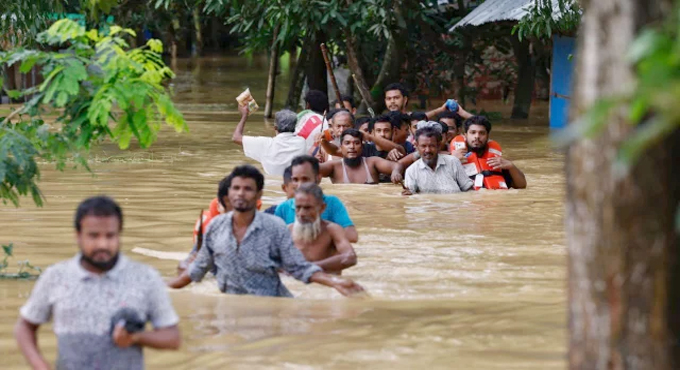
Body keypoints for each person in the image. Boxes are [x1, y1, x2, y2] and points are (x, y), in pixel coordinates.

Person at [15, 196, 181, 370]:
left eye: (110, 236)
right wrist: (41, 367)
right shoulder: (56, 277)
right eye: (93, 236)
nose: (102, 244)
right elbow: (25, 326)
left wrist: (136, 337)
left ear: (119, 235)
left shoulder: (145, 278)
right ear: (78, 236)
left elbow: (172, 338)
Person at [168, 165, 364, 298]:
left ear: (259, 195)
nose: (240, 193)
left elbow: (298, 267)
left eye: (248, 189)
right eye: (236, 188)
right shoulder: (215, 227)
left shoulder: (275, 227)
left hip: (273, 304)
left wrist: (334, 283)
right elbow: (196, 271)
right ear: (229, 194)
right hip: (231, 304)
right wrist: (162, 287)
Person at [275, 155, 359, 242]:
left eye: (305, 179)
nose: (300, 186)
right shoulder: (283, 208)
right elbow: (273, 240)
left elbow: (352, 236)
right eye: (295, 180)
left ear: (318, 178)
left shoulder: (332, 203)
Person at [289, 183, 357, 274]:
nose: (301, 214)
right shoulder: (287, 231)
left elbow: (350, 257)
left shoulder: (332, 230)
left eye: (307, 208)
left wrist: (311, 267)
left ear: (322, 208)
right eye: (298, 207)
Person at [450, 116, 527, 189]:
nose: (477, 136)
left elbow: (521, 186)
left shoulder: (497, 162)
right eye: (473, 132)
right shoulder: (452, 159)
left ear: (487, 136)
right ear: (465, 135)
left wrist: (511, 166)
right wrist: (451, 161)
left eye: (482, 133)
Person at [232, 106, 306, 176]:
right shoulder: (302, 142)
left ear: (275, 127)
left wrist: (244, 116)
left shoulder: (265, 143)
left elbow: (236, 137)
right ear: (294, 127)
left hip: (271, 184)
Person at [403, 126, 474, 195]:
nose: (427, 150)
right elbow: (411, 198)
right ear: (417, 146)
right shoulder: (411, 171)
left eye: (432, 146)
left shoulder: (453, 162)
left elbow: (469, 190)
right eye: (423, 146)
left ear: (439, 146)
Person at [318, 129, 404, 185]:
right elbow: (312, 169)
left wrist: (396, 172)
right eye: (347, 143)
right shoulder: (334, 166)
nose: (352, 147)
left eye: (356, 143)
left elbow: (397, 165)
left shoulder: (372, 162)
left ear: (362, 146)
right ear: (341, 147)